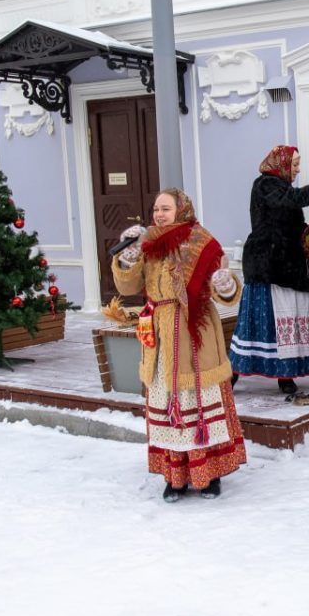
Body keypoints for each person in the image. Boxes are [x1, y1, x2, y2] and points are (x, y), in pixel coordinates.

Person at [113, 189, 246, 502]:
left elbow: (223, 291)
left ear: (181, 210)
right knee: (168, 404)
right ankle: (176, 477)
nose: (159, 214)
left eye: (166, 208)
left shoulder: (200, 241)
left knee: (198, 404)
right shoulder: (148, 244)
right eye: (156, 208)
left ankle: (208, 475)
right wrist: (128, 255)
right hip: (160, 333)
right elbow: (128, 286)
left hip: (195, 336)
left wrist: (226, 284)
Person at [229, 145, 309, 393]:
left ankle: (285, 376)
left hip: (289, 266)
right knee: (257, 324)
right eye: (294, 164)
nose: (297, 170)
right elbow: (295, 198)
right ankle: (233, 374)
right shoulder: (264, 184)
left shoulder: (283, 190)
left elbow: (293, 224)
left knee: (286, 326)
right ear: (281, 164)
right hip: (268, 267)